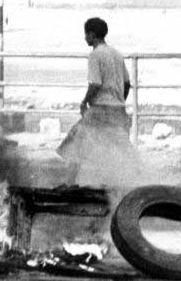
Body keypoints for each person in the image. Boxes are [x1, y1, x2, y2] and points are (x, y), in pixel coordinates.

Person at [57, 17, 143, 187]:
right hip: (118, 109)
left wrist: (84, 102)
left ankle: (69, 183)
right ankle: (140, 178)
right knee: (122, 147)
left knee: (77, 141)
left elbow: (95, 84)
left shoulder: (95, 55)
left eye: (86, 34)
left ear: (92, 35)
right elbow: (126, 83)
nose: (85, 38)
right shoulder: (116, 54)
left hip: (100, 109)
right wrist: (118, 100)